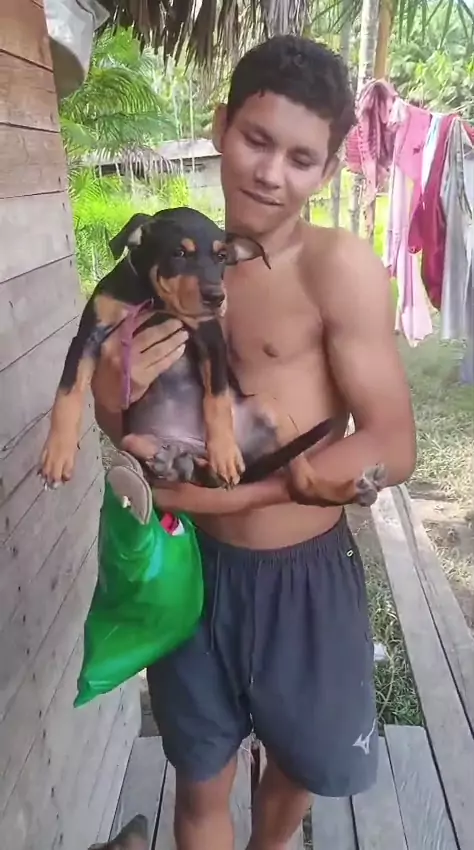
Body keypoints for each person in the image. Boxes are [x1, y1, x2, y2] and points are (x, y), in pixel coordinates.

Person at [92, 35, 416, 850]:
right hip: (190, 567)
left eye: (301, 158)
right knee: (200, 773)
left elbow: (394, 443)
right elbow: (127, 427)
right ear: (221, 125)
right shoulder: (168, 262)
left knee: (299, 762)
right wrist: (106, 396)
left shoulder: (336, 269)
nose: (271, 172)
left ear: (329, 170)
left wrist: (259, 492)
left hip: (302, 578)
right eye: (257, 139)